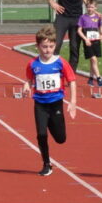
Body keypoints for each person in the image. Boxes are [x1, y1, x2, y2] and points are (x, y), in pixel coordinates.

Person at [22, 24, 77, 177]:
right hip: (39, 104)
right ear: (38, 47)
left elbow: (72, 81)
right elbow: (29, 79)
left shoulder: (60, 62)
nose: (48, 50)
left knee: (60, 138)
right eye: (44, 47)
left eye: (51, 47)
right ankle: (46, 164)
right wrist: (27, 85)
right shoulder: (33, 64)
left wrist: (73, 103)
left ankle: (53, 125)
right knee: (41, 134)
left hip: (56, 104)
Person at [41, 0, 90, 71]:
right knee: (56, 44)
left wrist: (92, 7)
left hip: (77, 18)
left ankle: (71, 73)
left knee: (74, 47)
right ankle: (52, 69)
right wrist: (52, 2)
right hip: (62, 17)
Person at [77, 0, 102, 86]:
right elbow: (79, 30)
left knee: (92, 61)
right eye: (88, 7)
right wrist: (85, 39)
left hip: (96, 41)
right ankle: (99, 78)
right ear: (86, 7)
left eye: (92, 7)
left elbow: (101, 28)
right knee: (93, 59)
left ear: (96, 8)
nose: (90, 9)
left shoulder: (98, 17)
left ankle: (90, 79)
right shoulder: (83, 17)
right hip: (88, 41)